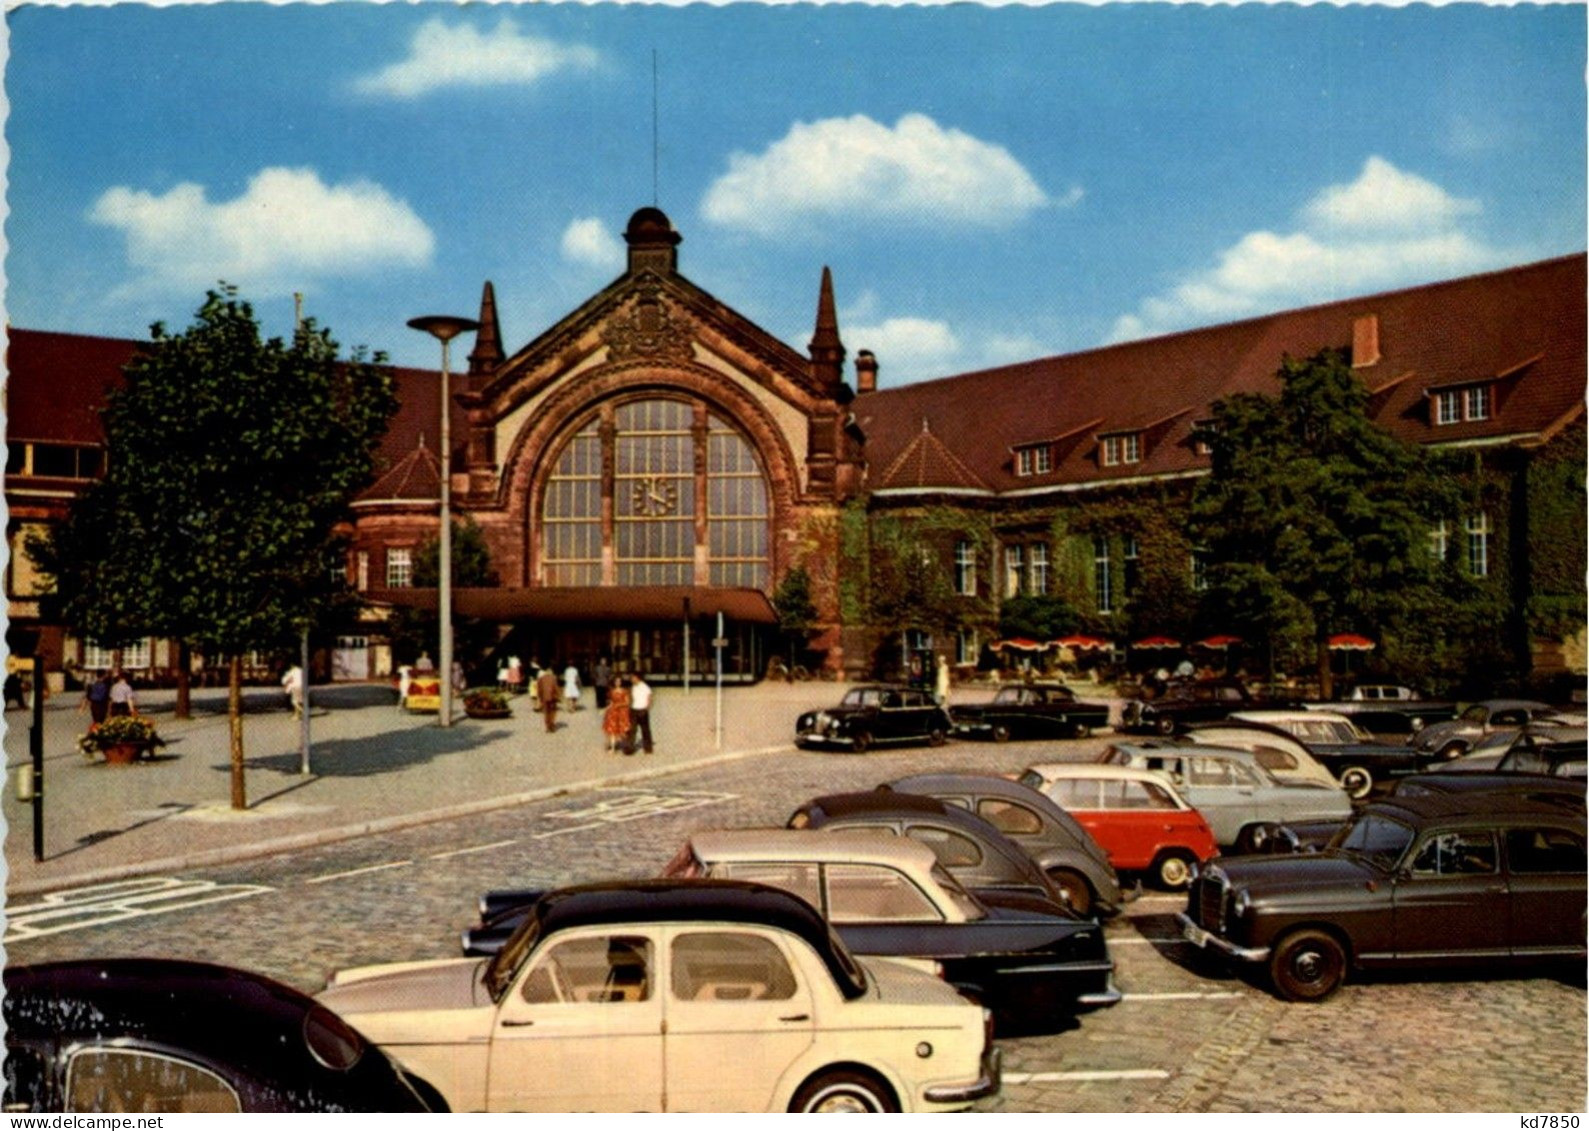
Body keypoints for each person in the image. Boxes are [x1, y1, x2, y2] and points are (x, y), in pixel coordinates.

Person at [604, 676, 633, 755]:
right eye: (616, 681)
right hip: (613, 712)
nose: (618, 683)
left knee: (623, 730)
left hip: (622, 712)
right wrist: (606, 709)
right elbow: (611, 702)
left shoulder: (625, 691)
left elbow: (627, 702)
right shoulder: (612, 691)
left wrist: (618, 705)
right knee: (612, 730)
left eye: (619, 681)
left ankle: (627, 746)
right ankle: (613, 748)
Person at [628, 673, 654, 754]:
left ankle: (648, 748)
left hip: (642, 710)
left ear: (637, 678)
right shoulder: (633, 687)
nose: (631, 680)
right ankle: (630, 749)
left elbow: (650, 698)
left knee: (645, 730)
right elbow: (631, 698)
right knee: (632, 730)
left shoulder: (645, 687)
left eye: (633, 678)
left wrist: (647, 708)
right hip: (634, 710)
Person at [536, 664, 561, 733]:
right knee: (552, 711)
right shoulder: (553, 678)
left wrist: (539, 697)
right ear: (550, 671)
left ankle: (547, 726)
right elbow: (556, 687)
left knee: (546, 712)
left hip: (544, 697)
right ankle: (551, 725)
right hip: (552, 697)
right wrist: (558, 696)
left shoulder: (541, 678)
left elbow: (539, 689)